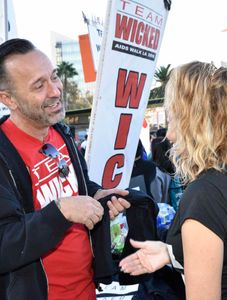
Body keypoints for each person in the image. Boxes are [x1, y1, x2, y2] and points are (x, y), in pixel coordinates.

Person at [120, 61, 227, 299]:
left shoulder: (207, 192)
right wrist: (171, 253)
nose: (169, 135)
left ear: (198, 123)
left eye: (174, 120)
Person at [0, 38, 130, 300]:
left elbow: (78, 187)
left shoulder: (62, 134)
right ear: (8, 99)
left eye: (54, 77)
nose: (55, 90)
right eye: (39, 85)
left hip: (86, 290)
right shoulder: (3, 154)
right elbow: (4, 243)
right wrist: (61, 212)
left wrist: (98, 196)